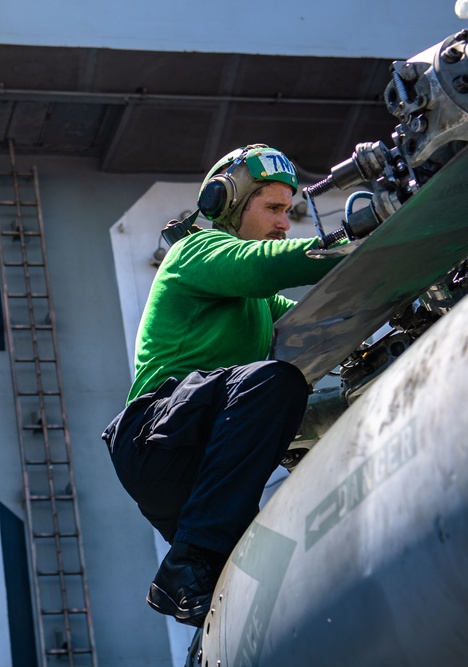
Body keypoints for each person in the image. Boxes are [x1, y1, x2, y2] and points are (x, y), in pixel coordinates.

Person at [101, 144, 343, 627]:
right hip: (156, 436)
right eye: (273, 208)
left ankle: (195, 574)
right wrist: (358, 239)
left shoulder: (261, 307)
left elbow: (321, 323)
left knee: (253, 577)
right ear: (228, 204)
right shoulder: (195, 252)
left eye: (288, 211)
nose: (283, 223)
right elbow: (266, 265)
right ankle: (183, 568)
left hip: (199, 475)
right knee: (276, 383)